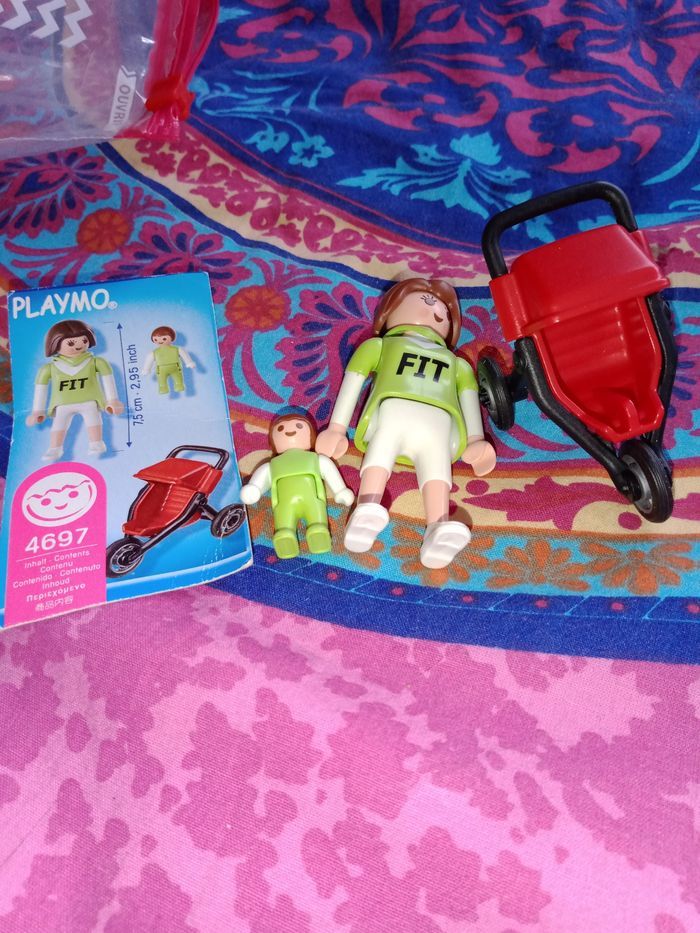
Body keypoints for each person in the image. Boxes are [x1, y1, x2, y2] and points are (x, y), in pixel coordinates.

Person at [316, 277, 496, 569]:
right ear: (390, 311)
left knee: (437, 471)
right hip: (391, 414)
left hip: (438, 426)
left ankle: (437, 528)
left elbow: (469, 397)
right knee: (381, 451)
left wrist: (476, 439)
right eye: (426, 301)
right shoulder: (379, 346)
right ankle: (366, 509)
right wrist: (336, 428)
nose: (436, 311)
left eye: (443, 310)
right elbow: (353, 380)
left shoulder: (458, 364)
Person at [240, 413, 354, 559]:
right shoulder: (273, 465)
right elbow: (262, 478)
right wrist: (254, 488)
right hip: (285, 504)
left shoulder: (315, 459)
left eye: (299, 426)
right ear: (273, 441)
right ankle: (285, 535)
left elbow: (329, 471)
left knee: (317, 521)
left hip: (312, 501)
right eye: (280, 428)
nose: (289, 431)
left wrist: (340, 490)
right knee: (284, 523)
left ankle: (318, 531)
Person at [26, 320, 124, 460]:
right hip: (63, 404)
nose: (79, 345)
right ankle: (54, 448)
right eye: (71, 343)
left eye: (84, 340)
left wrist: (113, 400)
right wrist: (37, 411)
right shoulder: (49, 368)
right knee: (59, 424)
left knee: (93, 418)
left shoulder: (96, 362)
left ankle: (96, 443)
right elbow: (41, 388)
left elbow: (107, 378)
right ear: (55, 343)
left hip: (89, 400)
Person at [142, 326, 195, 394]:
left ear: (172, 338)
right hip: (161, 370)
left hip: (175, 368)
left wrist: (189, 363)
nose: (160, 341)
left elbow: (184, 355)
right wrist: (146, 369)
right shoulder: (154, 352)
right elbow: (149, 360)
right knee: (162, 381)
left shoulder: (177, 349)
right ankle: (163, 387)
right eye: (156, 339)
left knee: (178, 378)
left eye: (164, 338)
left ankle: (179, 385)